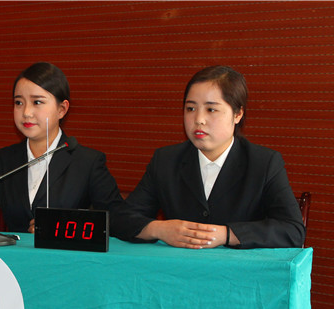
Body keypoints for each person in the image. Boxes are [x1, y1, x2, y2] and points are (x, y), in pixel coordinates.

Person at [112, 65, 305, 249]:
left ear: (237, 114)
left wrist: (226, 234)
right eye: (191, 109)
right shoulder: (166, 160)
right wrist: (160, 229)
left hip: (238, 269)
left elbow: (293, 230)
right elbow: (121, 219)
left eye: (211, 109)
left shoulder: (264, 163)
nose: (198, 120)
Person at [0, 62, 124, 233]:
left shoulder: (87, 162)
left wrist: (63, 226)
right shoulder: (3, 160)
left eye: (37, 102)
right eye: (19, 102)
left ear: (62, 109)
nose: (26, 112)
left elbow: (118, 220)